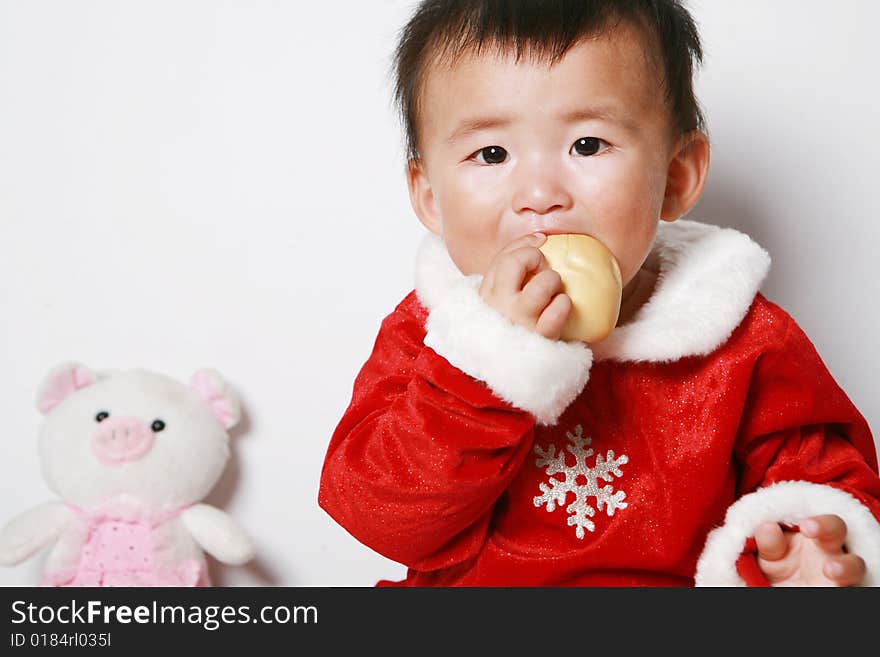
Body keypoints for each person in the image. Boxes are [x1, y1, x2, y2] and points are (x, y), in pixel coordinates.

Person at [318, 0, 880, 586]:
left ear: (677, 177)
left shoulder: (743, 338)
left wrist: (805, 548)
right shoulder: (434, 337)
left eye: (587, 145)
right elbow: (379, 517)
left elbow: (822, 477)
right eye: (492, 154)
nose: (539, 193)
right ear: (430, 197)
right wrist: (482, 371)